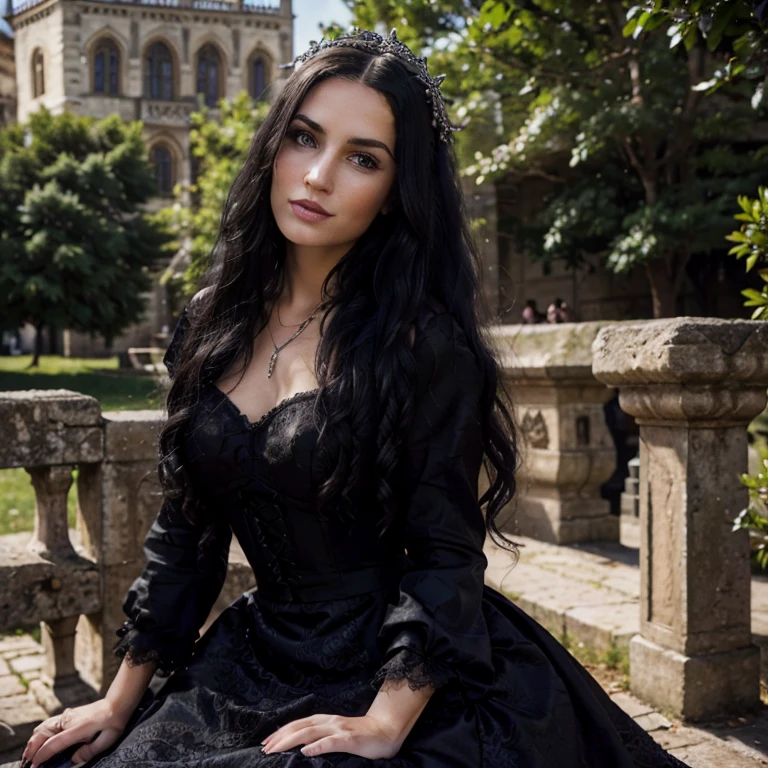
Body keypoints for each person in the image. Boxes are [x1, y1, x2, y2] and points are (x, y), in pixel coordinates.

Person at [21, 28, 689, 768]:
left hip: (398, 669)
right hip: (253, 656)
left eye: (362, 158)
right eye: (305, 139)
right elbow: (187, 536)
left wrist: (385, 721)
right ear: (274, 145)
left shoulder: (423, 344)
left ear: (397, 192)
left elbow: (444, 553)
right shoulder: (210, 323)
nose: (318, 176)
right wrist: (119, 702)